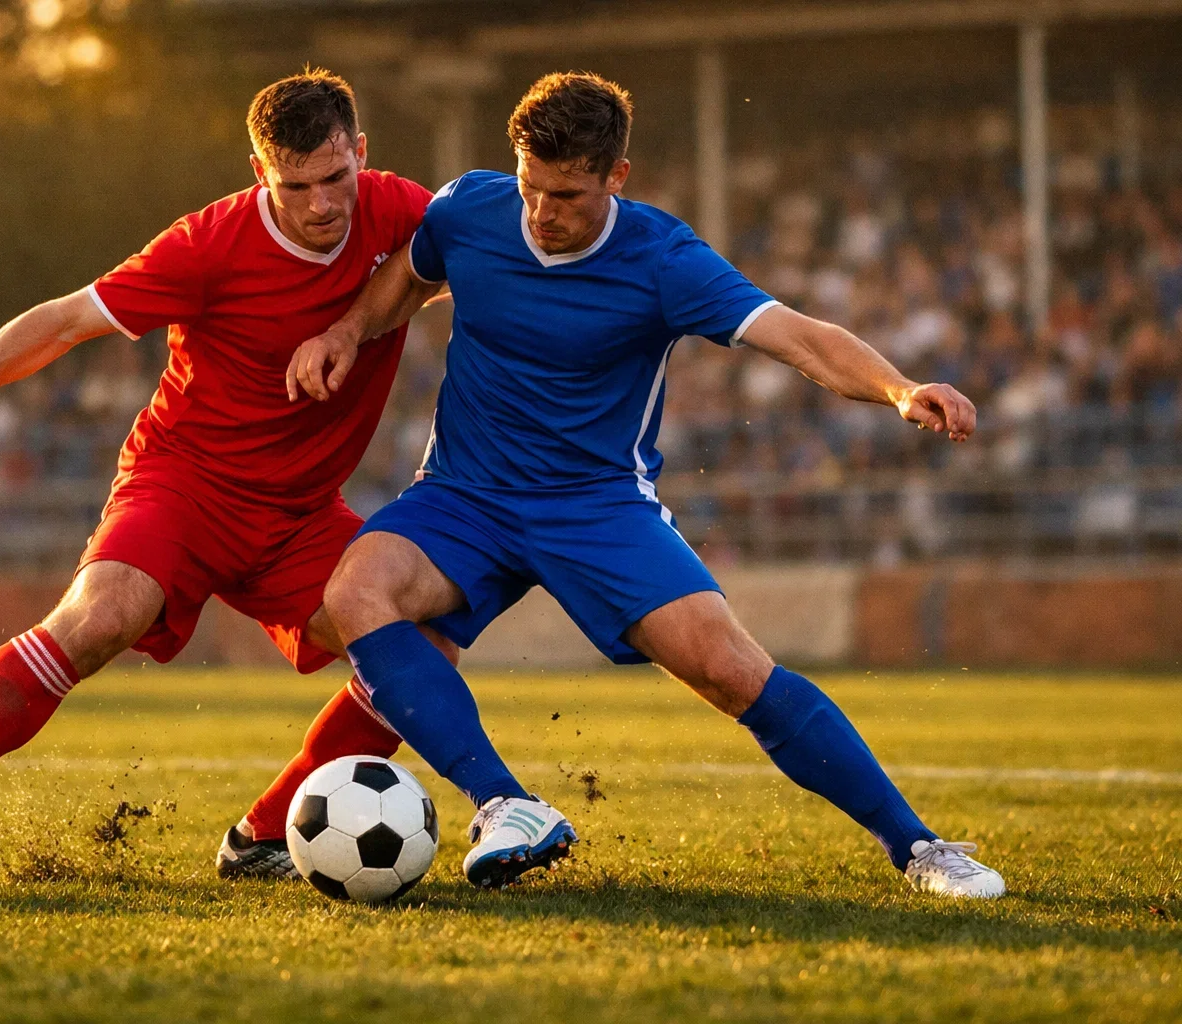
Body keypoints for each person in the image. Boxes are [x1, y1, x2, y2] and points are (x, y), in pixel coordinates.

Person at [285, 72, 1005, 898]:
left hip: (597, 506)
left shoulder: (664, 259)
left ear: (616, 177)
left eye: (566, 194)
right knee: (356, 594)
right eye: (529, 186)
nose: (541, 213)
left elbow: (800, 339)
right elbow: (410, 277)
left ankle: (919, 847)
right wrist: (345, 328)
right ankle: (505, 804)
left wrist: (900, 390)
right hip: (466, 495)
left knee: (730, 671)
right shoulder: (467, 210)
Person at [0, 70, 444, 892]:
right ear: (258, 171)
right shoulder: (209, 245)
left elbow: (465, 261)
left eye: (335, 178)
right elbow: (64, 320)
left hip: (301, 514)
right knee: (102, 616)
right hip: (183, 486)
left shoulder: (403, 210)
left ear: (361, 153)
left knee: (421, 644)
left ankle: (263, 836)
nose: (320, 205)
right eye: (294, 185)